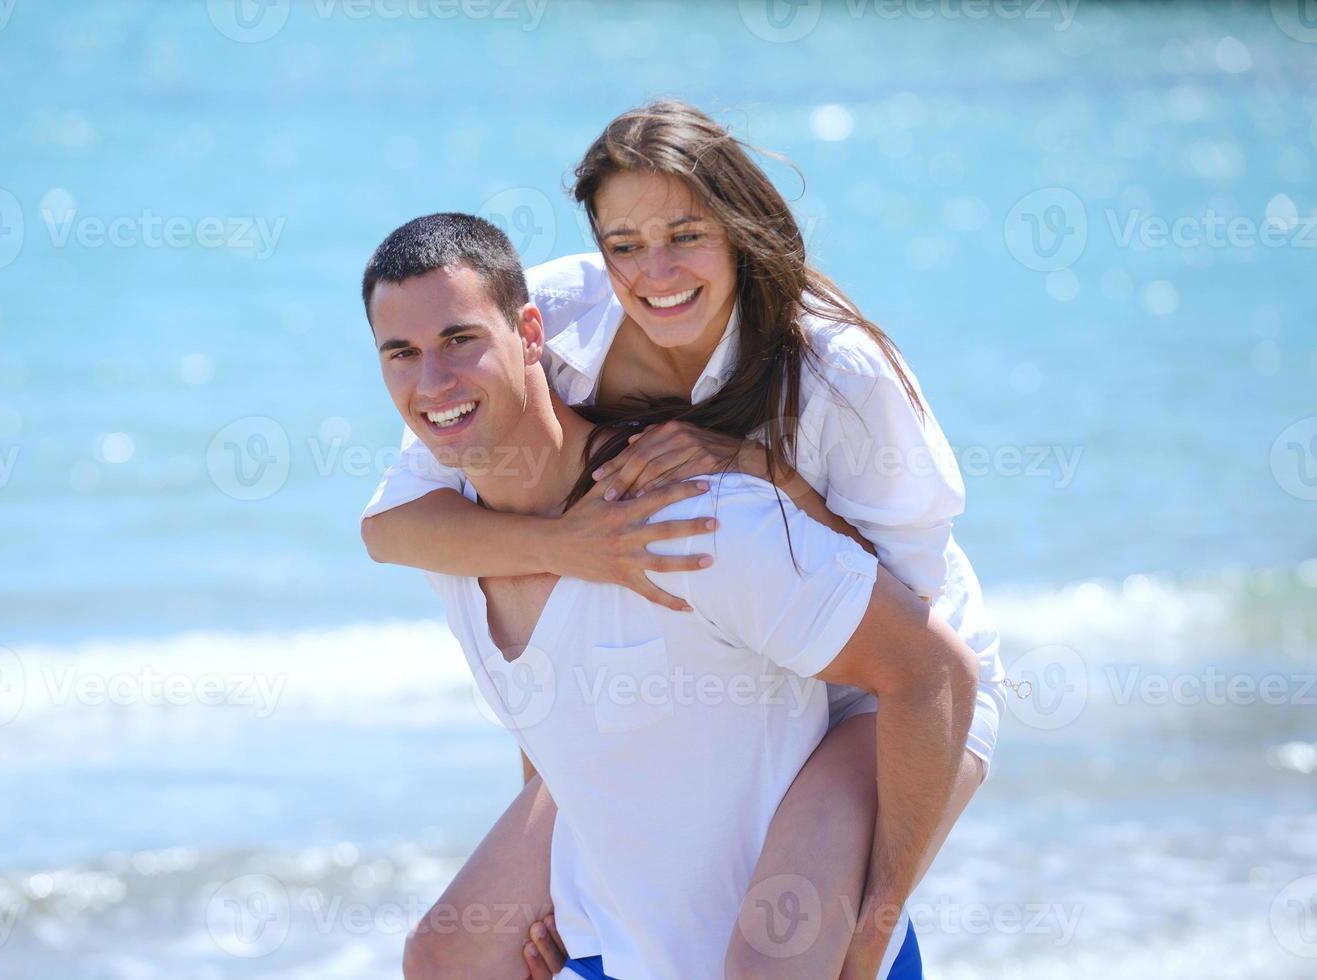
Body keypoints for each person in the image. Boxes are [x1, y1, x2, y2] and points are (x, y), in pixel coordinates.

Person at [364, 101, 1005, 979]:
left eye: (685, 235)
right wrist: (571, 546)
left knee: (793, 952)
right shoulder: (548, 315)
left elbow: (919, 637)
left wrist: (764, 475)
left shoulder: (833, 371)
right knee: (448, 956)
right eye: (622, 244)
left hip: (883, 689)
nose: (652, 270)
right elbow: (394, 530)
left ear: (738, 227)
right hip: (729, 653)